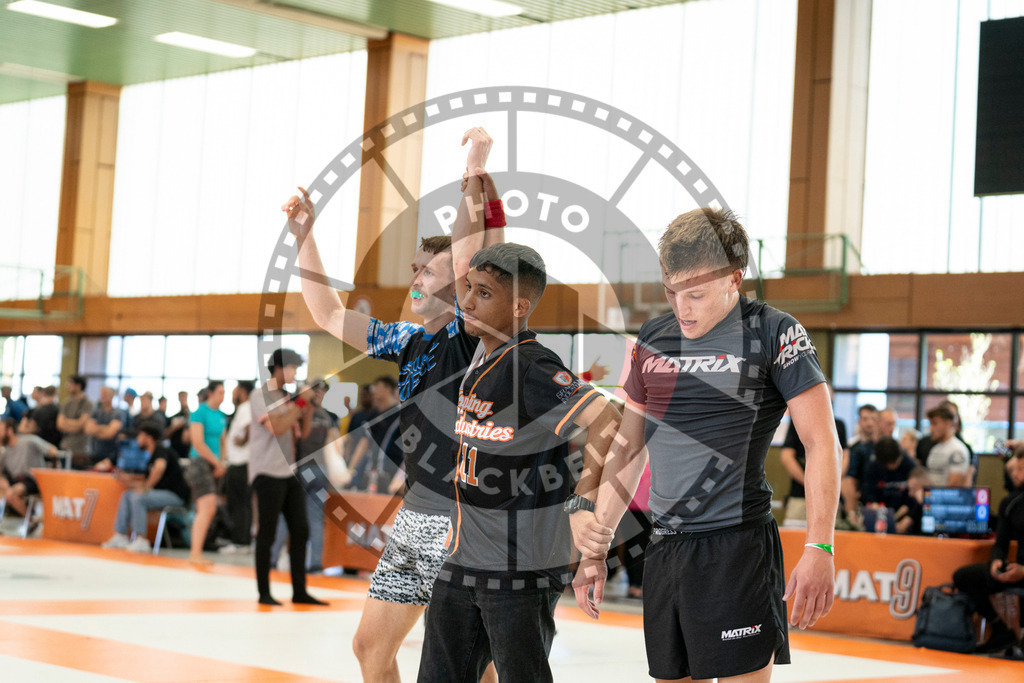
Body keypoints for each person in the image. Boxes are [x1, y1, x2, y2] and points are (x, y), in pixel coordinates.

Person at [571, 208, 841, 683]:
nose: (682, 308)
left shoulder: (775, 332)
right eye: (671, 292)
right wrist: (599, 543)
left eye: (695, 294)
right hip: (665, 548)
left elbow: (821, 443)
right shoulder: (653, 337)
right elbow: (629, 447)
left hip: (737, 549)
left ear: (735, 278)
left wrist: (820, 545)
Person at [283, 126, 504, 682]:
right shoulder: (406, 339)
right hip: (420, 509)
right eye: (414, 269)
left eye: (426, 270)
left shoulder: (468, 333)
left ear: (458, 282)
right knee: (372, 647)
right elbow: (329, 314)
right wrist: (304, 236)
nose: (415, 278)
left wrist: (474, 171)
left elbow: (469, 254)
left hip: (467, 514)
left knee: (472, 661)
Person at [417, 242, 620, 682]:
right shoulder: (481, 358)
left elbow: (606, 416)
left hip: (518, 567)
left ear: (518, 307)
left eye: (484, 293)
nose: (468, 301)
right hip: (462, 558)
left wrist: (583, 502)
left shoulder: (531, 364)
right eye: (469, 288)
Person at [248, 348, 326, 606]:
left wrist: (309, 406)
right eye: (292, 368)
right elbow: (278, 428)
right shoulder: (260, 395)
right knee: (267, 533)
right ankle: (264, 592)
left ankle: (299, 591)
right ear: (279, 368)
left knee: (300, 530)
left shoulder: (287, 397)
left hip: (289, 471)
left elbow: (303, 433)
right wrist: (300, 402)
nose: (295, 373)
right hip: (267, 471)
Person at [952, 447, 1024, 653]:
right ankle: (1000, 630)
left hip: (1022, 571)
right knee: (964, 577)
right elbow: (1000, 543)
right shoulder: (1011, 503)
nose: (1015, 474)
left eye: (1021, 470)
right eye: (1014, 469)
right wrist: (997, 561)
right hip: (1015, 569)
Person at [102, 425, 190, 552]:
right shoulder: (150, 456)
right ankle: (120, 535)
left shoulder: (161, 450)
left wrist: (145, 488)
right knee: (127, 495)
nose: (137, 439)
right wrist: (126, 480)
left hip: (175, 495)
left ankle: (141, 539)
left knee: (138, 498)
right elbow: (145, 480)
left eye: (140, 436)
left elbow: (159, 468)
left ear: (148, 438)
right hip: (160, 493)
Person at [780, 398, 849, 525]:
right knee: (795, 533)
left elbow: (844, 457)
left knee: (829, 534)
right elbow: (787, 457)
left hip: (829, 495)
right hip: (800, 495)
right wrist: (809, 483)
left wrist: (831, 483)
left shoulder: (838, 424)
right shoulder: (798, 421)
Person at [185, 380, 227, 564]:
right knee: (207, 507)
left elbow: (223, 442)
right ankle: (195, 554)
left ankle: (197, 552)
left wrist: (222, 463)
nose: (222, 396)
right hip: (200, 464)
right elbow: (198, 443)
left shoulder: (221, 415)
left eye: (224, 393)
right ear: (210, 393)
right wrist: (216, 463)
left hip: (215, 465)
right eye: (219, 392)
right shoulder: (199, 412)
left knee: (210, 509)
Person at [346, 376, 402, 493]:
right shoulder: (373, 416)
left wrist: (401, 477)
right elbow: (364, 443)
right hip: (372, 472)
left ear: (388, 389)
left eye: (377, 387)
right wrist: (351, 468)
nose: (374, 391)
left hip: (392, 472)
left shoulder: (400, 415)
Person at [0, 417, 56, 518]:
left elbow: (53, 450)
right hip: (15, 480)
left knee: (10, 494)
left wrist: (53, 467)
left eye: (1, 430)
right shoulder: (5, 451)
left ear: (10, 431)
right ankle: (28, 518)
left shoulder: (28, 441)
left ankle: (30, 521)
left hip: (33, 479)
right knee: (8, 491)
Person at [222, 380, 255, 552]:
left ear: (242, 391)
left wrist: (243, 440)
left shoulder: (245, 407)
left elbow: (249, 427)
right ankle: (243, 541)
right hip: (241, 462)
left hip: (240, 462)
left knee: (239, 504)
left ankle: (239, 542)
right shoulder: (246, 408)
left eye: (235, 391)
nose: (233, 395)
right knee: (242, 503)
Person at [842, 404, 880, 524]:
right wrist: (851, 511)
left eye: (873, 419)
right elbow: (850, 481)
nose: (870, 423)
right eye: (865, 419)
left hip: (883, 504)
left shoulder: (885, 447)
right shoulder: (854, 448)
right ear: (859, 421)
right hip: (861, 505)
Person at [860, 436, 917, 511]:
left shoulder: (910, 466)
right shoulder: (872, 467)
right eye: (889, 464)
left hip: (904, 511)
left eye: (896, 462)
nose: (893, 466)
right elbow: (868, 491)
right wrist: (873, 504)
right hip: (879, 511)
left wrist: (907, 509)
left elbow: (914, 494)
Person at [923, 405, 971, 486]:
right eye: (930, 424)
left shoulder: (957, 450)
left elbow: (954, 485)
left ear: (947, 424)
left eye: (935, 423)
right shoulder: (935, 448)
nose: (931, 428)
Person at [84, 386, 127, 468]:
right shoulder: (96, 412)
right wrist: (105, 428)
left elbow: (110, 434)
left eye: (105, 394)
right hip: (95, 453)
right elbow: (88, 429)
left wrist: (96, 429)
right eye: (101, 394)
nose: (102, 396)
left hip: (110, 456)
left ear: (111, 396)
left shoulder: (118, 413)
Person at [57, 375, 93, 468]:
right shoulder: (66, 403)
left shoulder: (87, 403)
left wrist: (66, 422)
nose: (68, 386)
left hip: (80, 450)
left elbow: (82, 424)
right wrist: (75, 423)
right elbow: (60, 424)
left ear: (78, 386)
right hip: (65, 446)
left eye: (71, 383)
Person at [894, 466, 930, 535]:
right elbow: (902, 526)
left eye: (914, 489)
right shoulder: (915, 504)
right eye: (910, 489)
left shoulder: (939, 504)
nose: (910, 494)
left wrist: (924, 503)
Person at [165, 391, 192, 460]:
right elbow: (165, 435)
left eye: (184, 397)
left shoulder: (191, 416)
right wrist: (174, 427)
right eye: (181, 397)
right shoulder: (173, 417)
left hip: (187, 451)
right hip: (174, 450)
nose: (183, 399)